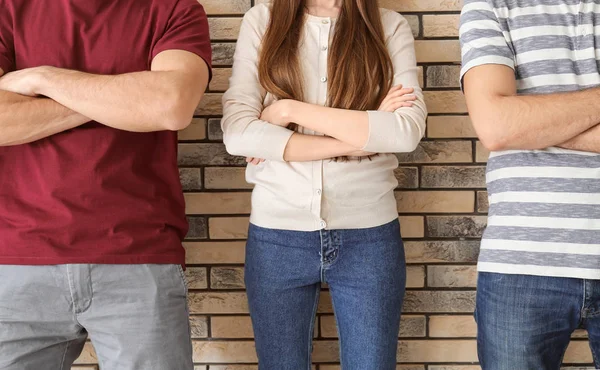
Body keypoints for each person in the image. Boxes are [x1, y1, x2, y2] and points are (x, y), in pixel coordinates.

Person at [0, 0, 211, 369]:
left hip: (139, 257)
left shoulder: (174, 9)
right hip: (15, 262)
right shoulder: (7, 9)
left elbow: (172, 104)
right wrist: (124, 98)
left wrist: (43, 78)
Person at [221, 0, 427, 369]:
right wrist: (363, 135)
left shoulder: (388, 26)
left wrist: (286, 111)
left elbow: (405, 131)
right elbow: (238, 135)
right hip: (277, 235)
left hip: (369, 236)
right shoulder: (263, 21)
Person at [460, 0, 600, 368]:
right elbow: (496, 127)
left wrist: (534, 125)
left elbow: (509, 126)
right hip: (521, 265)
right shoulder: (489, 4)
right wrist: (510, 125)